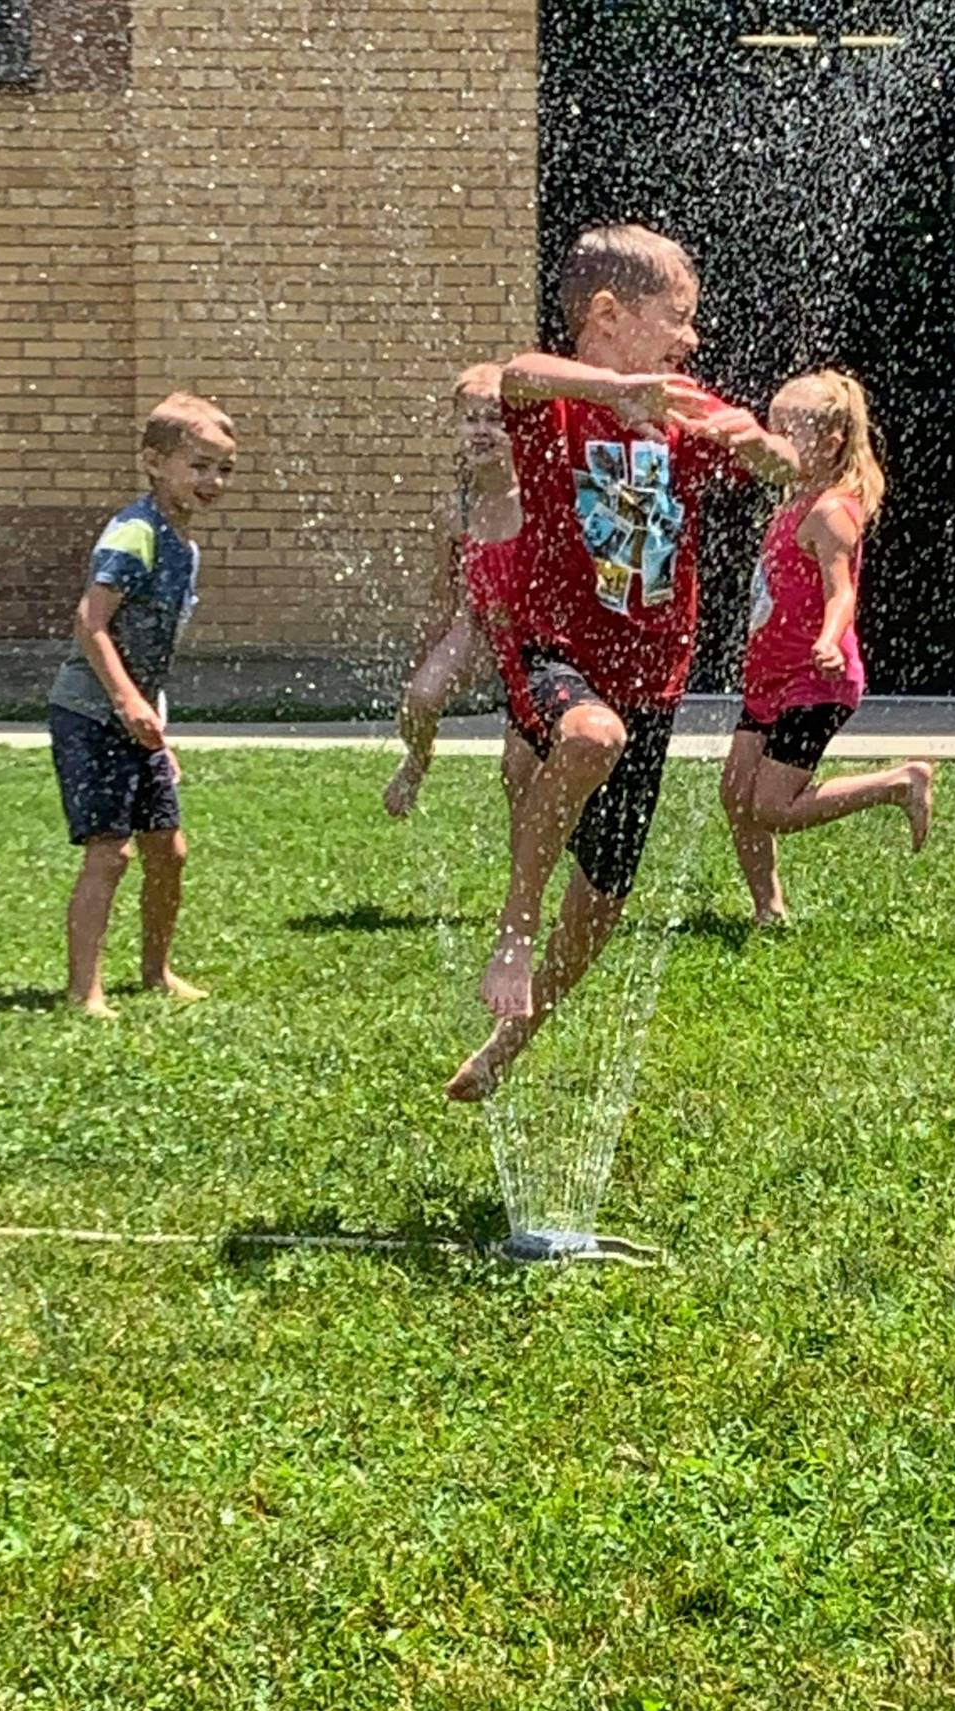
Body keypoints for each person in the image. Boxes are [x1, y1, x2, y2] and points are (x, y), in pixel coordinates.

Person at [446, 223, 799, 1101]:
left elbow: (768, 448)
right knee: (589, 736)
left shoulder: (679, 410)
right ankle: (515, 930)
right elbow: (511, 376)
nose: (690, 338)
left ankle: (507, 1047)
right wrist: (620, 389)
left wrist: (767, 450)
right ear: (607, 315)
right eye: (677, 318)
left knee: (602, 905)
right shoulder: (559, 402)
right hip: (554, 647)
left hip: (655, 675)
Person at [48, 391, 237, 1017]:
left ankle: (155, 971)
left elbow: (152, 651)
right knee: (111, 849)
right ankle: (86, 991)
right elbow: (90, 622)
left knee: (169, 850)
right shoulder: (136, 533)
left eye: (223, 468)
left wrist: (158, 727)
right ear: (155, 463)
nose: (212, 480)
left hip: (137, 717)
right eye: (199, 464)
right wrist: (128, 703)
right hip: (92, 711)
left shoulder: (184, 547)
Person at [719, 370, 933, 923]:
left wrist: (828, 638)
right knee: (736, 794)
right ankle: (769, 911)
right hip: (769, 678)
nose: (776, 440)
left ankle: (898, 783)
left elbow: (843, 592)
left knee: (772, 806)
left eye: (789, 431)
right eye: (775, 427)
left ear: (830, 441)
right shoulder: (795, 501)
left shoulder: (832, 512)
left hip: (814, 681)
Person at [383, 362, 539, 821]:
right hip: (478, 628)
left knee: (518, 771)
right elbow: (442, 597)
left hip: (533, 637)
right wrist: (427, 654)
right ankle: (418, 758)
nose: (482, 431)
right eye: (471, 419)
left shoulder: (533, 499)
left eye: (495, 419)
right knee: (422, 698)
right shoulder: (458, 510)